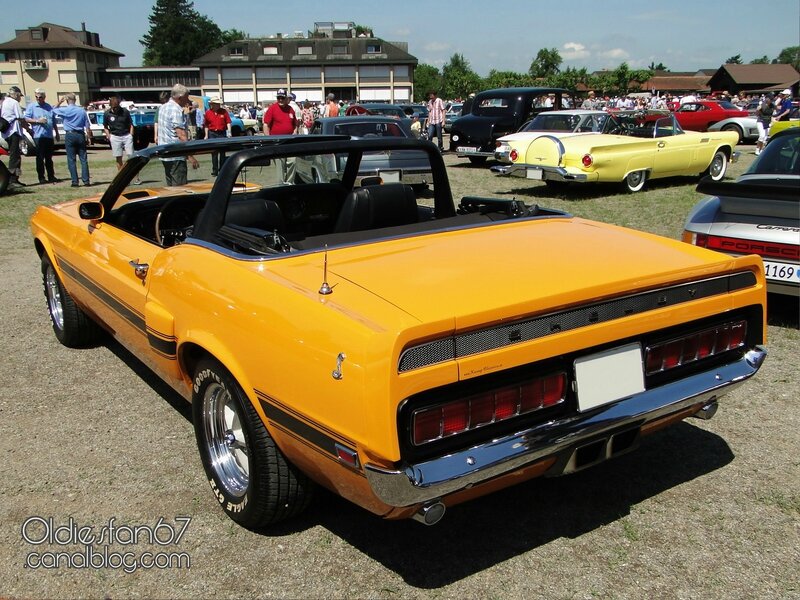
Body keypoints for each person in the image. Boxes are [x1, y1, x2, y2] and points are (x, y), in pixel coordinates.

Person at [157, 83, 199, 185]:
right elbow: (181, 135)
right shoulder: (176, 110)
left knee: (170, 186)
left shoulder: (163, 107)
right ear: (180, 98)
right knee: (180, 188)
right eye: (186, 98)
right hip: (176, 155)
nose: (188, 100)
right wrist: (190, 156)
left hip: (165, 153)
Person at [53, 93, 93, 187]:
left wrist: (59, 102)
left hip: (70, 134)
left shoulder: (65, 110)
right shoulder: (82, 110)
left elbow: (53, 110)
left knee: (71, 159)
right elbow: (87, 125)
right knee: (83, 159)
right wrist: (89, 137)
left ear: (67, 101)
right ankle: (86, 180)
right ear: (75, 100)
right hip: (80, 134)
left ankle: (75, 181)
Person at [24, 88, 59, 184]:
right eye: (36, 97)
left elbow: (53, 121)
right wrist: (37, 121)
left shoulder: (48, 107)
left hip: (48, 135)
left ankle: (51, 176)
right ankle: (41, 177)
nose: (38, 99)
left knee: (49, 157)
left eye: (40, 97)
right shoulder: (32, 106)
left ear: (44, 97)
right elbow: (26, 118)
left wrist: (57, 133)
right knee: (40, 157)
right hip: (38, 135)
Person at [1, 85, 32, 187]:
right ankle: (13, 179)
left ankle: (12, 179)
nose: (20, 98)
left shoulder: (3, 102)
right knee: (15, 157)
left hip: (5, 133)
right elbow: (21, 118)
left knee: (13, 156)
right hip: (13, 132)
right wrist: (28, 129)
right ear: (16, 94)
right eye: (20, 96)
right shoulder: (14, 103)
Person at [103, 94, 135, 175]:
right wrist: (109, 136)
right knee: (118, 157)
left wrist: (131, 135)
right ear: (110, 106)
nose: (115, 109)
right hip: (115, 136)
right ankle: (121, 176)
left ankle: (135, 177)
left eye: (117, 107)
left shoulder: (125, 112)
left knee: (131, 156)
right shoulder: (107, 114)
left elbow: (131, 124)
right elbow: (105, 126)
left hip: (126, 135)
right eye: (113, 108)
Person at [204, 96, 231, 175]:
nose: (218, 105)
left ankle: (222, 169)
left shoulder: (224, 112)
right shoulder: (208, 113)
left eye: (218, 104)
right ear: (212, 104)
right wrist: (206, 135)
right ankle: (215, 170)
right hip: (212, 133)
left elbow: (228, 122)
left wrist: (229, 132)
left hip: (222, 133)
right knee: (214, 153)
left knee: (222, 152)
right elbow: (206, 125)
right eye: (216, 104)